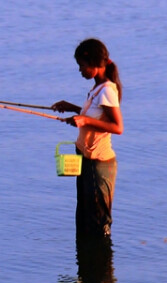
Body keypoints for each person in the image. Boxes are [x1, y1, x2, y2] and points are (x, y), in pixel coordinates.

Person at [52, 38, 122, 242]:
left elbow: (117, 127)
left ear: (93, 64)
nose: (80, 70)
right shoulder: (97, 88)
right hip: (86, 160)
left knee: (98, 221)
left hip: (98, 164)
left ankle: (100, 267)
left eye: (82, 66)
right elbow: (94, 116)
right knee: (84, 217)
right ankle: (87, 268)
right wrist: (74, 109)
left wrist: (83, 120)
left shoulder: (107, 90)